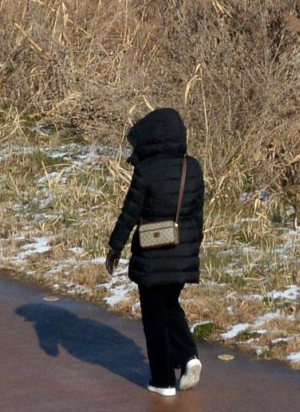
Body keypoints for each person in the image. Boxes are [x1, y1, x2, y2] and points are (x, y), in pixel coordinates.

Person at [105, 107, 205, 397]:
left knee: (154, 316)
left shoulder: (146, 171)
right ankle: (188, 356)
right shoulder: (193, 168)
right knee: (170, 306)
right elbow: (197, 216)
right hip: (183, 253)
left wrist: (115, 246)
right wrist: (192, 248)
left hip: (151, 255)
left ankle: (162, 381)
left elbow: (129, 213)